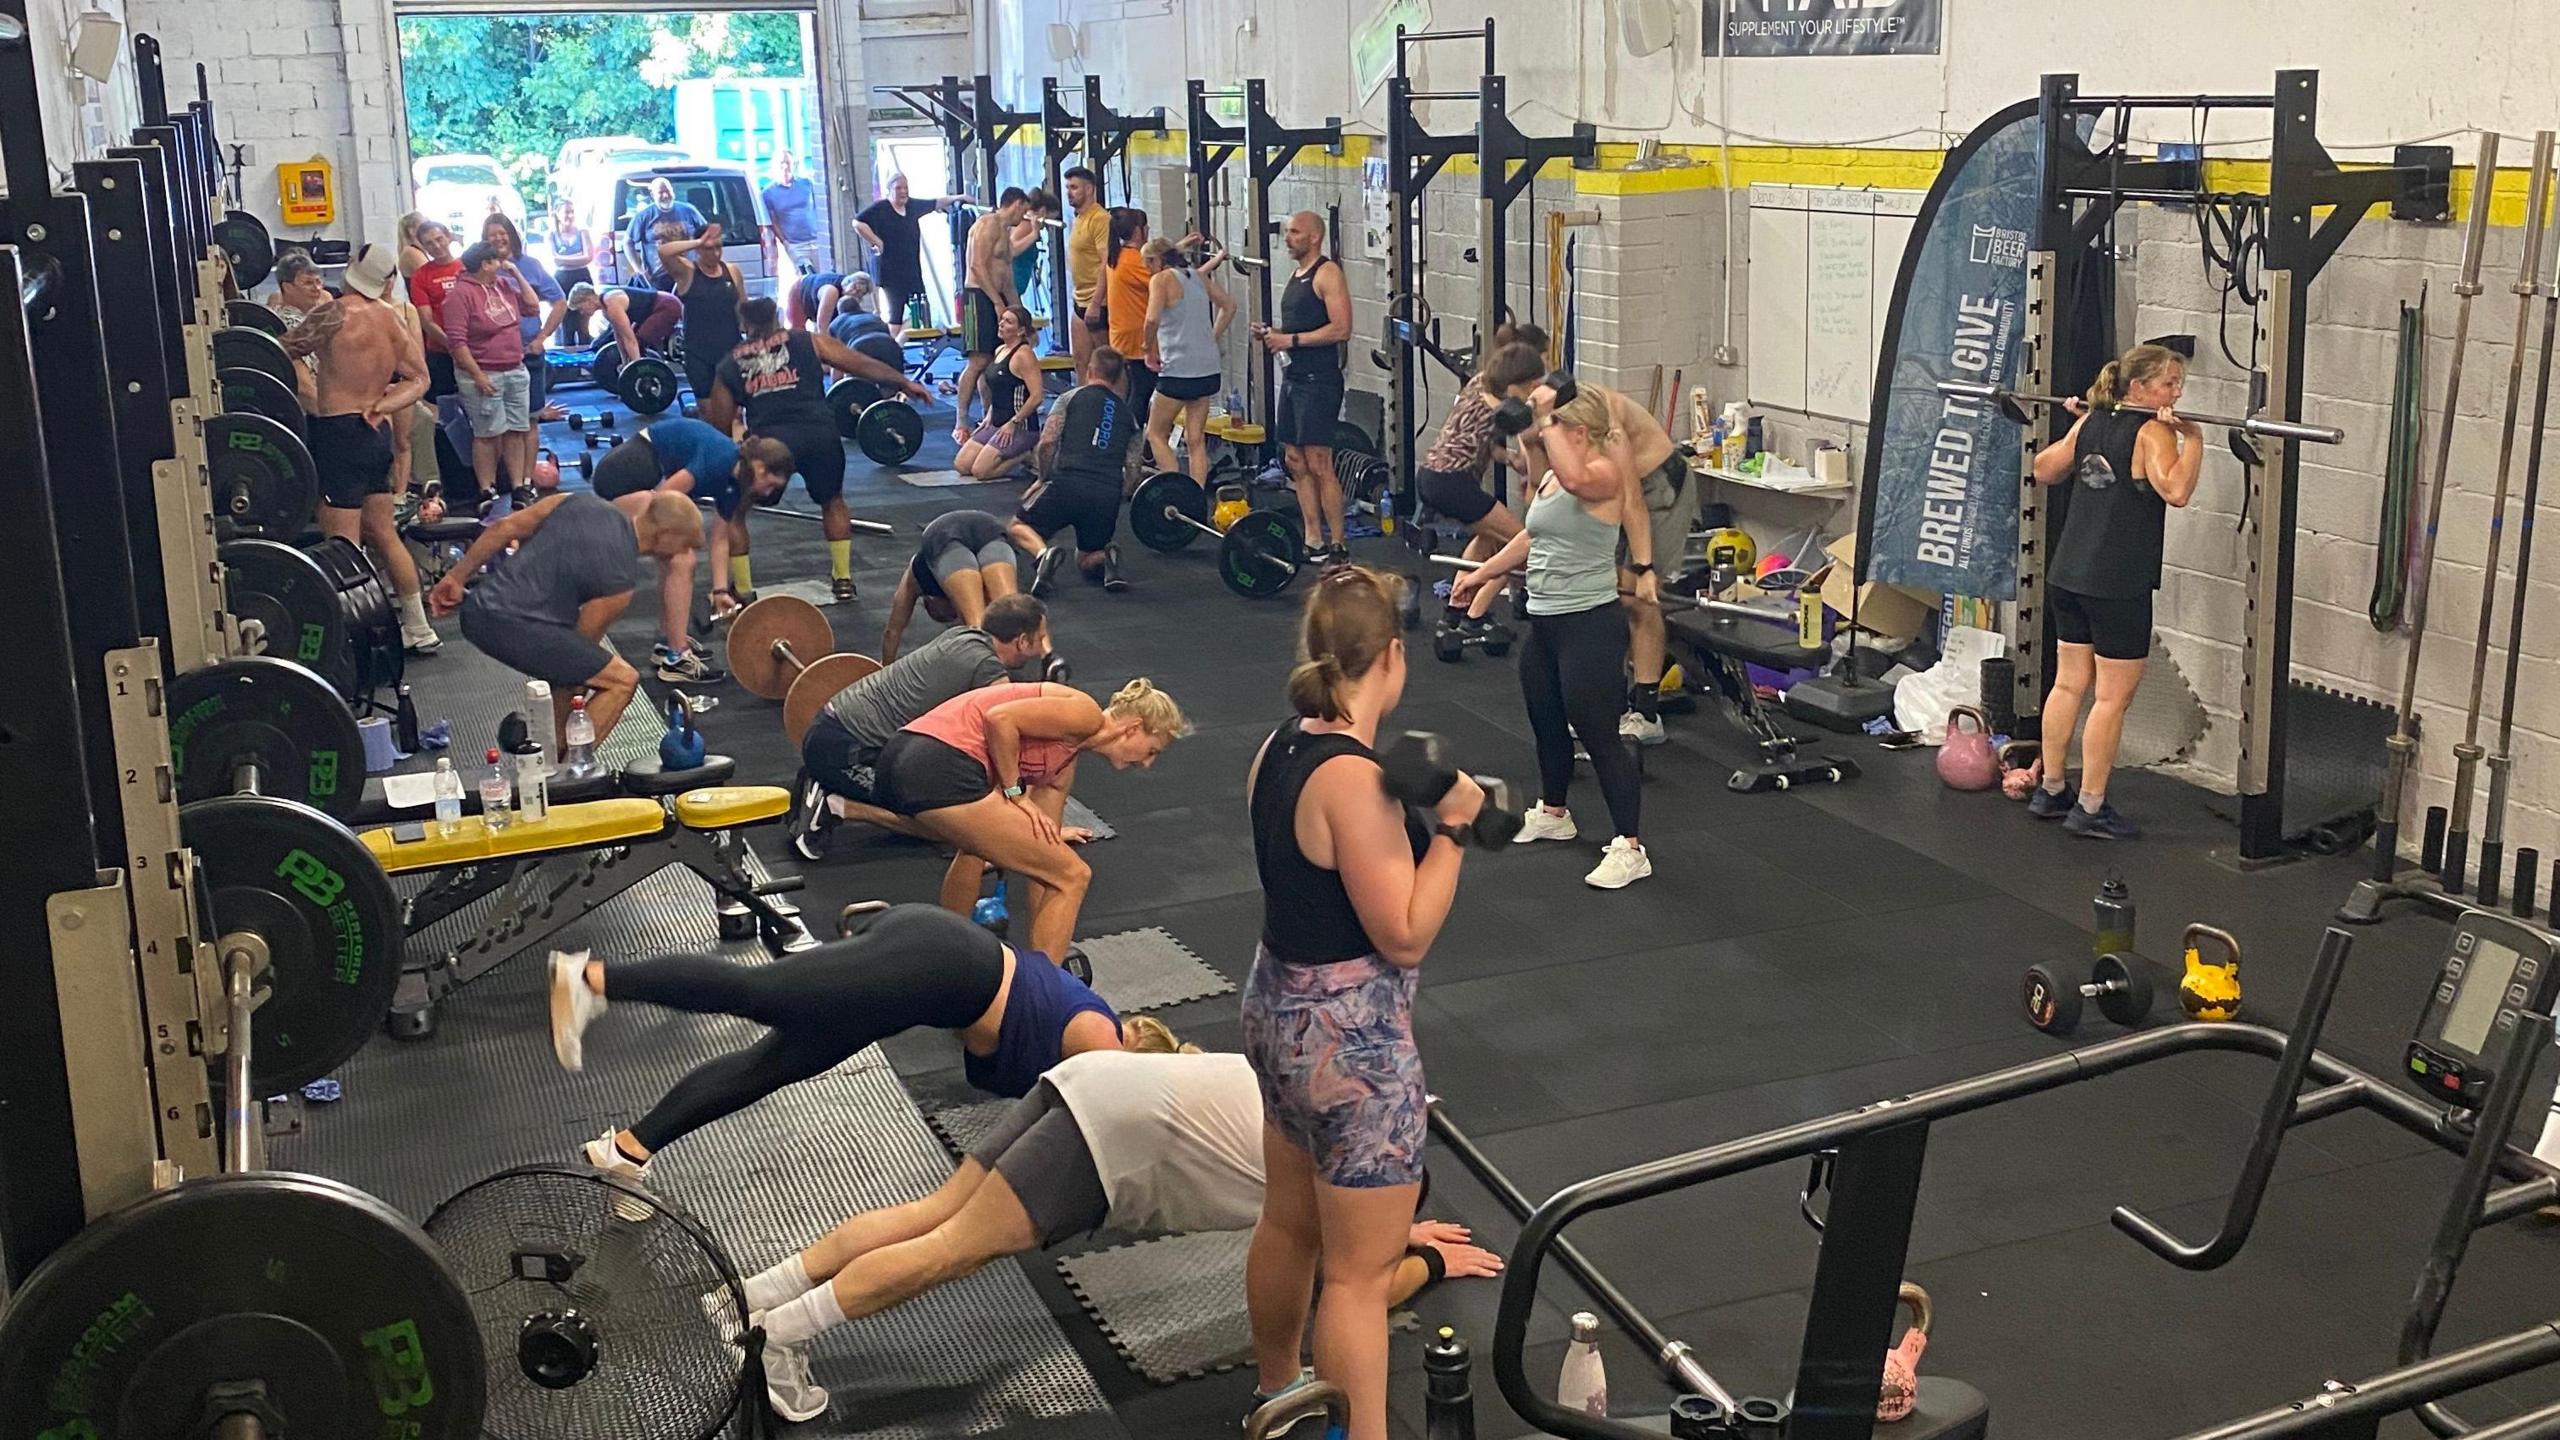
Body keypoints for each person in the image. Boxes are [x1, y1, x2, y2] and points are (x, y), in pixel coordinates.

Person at [729, 1047, 1501, 1421]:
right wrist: (1424, 1259)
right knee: (949, 1253)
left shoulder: (1340, 1112)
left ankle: (747, 1297)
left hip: (1094, 1079)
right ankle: (777, 1337)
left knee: (936, 1213)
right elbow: (1350, 1294)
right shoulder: (1336, 1182)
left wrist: (1393, 1238)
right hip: (1111, 1139)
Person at [1241, 565, 1486, 1440]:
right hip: (1350, 1043)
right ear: (1392, 654)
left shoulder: (1279, 747)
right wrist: (1455, 828)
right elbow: (1405, 934)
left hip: (1275, 1010)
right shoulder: (1354, 779)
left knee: (1289, 1222)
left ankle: (1280, 1396)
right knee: (1356, 1274)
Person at [544, 904, 1186, 1227]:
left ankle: (628, 1150)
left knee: (772, 1066)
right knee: (761, 994)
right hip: (936, 960)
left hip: (920, 983)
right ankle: (590, 978)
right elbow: (1092, 1126)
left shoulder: (1095, 1027)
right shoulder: (1099, 1041)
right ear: (1136, 1057)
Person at [1450, 388, 1653, 890]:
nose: (1541, 439)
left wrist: (1543, 418)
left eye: (1556, 430)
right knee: (1545, 720)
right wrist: (1480, 574)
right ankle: (1556, 813)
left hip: (1590, 623)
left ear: (1579, 434)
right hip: (1545, 621)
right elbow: (1530, 537)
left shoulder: (1602, 476)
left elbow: (1577, 476)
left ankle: (1630, 846)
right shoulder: (1550, 482)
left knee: (1600, 733)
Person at [871, 677, 1188, 963]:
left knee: (988, 851)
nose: (1147, 764)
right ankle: (1046, 995)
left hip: (902, 760)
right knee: (1075, 875)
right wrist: (1015, 794)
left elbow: (1043, 859)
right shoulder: (1085, 714)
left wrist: (1046, 940)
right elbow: (1001, 719)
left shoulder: (1061, 768)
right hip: (938, 760)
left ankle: (948, 956)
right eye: (1151, 750)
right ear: (1132, 728)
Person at [2028, 342, 2202, 840]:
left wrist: (2080, 425)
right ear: (2139, 388)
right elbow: (2178, 491)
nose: (2177, 390)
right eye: (2168, 383)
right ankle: (2090, 805)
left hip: (2069, 575)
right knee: (2110, 698)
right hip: (2117, 583)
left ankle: (2053, 790)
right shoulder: (2154, 432)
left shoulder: (2091, 424)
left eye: (2179, 383)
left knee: (2067, 684)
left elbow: (2044, 469)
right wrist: (2194, 440)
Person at [701, 296, 932, 605]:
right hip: (820, 434)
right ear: (777, 317)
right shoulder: (806, 340)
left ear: (743, 325)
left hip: (770, 446)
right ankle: (843, 580)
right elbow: (857, 362)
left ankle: (743, 589)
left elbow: (719, 424)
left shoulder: (729, 364)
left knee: (735, 511)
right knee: (833, 501)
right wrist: (902, 382)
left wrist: (730, 460)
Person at [430, 490, 697, 751]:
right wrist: (558, 736)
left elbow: (504, 527)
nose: (684, 552)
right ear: (666, 536)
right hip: (510, 624)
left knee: (583, 669)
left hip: (477, 607)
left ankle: (556, 757)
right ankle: (572, 772)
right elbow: (573, 667)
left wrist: (456, 577)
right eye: (684, 544)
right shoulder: (620, 580)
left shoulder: (580, 500)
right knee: (621, 680)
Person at [794, 592, 1052, 861]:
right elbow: (1005, 743)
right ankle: (838, 805)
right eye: (1041, 638)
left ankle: (825, 781)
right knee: (950, 825)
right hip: (843, 750)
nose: (1043, 645)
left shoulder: (963, 635)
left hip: (828, 727)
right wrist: (1024, 814)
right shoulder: (988, 670)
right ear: (1022, 641)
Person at [280, 242, 439, 655]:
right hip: (375, 432)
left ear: (352, 270)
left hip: (338, 432)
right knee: (385, 534)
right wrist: (382, 404)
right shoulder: (390, 319)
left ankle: (358, 642)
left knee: (343, 545)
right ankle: (418, 628)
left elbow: (280, 352)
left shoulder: (333, 312)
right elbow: (419, 380)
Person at [587, 418, 795, 682]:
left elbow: (720, 538)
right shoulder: (721, 459)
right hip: (622, 475)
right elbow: (665, 499)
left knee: (675, 555)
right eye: (771, 485)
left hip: (646, 476)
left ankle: (668, 642)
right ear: (760, 469)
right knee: (682, 558)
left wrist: (719, 591)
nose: (768, 493)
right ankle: (676, 657)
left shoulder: (734, 484)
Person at [1416, 342, 1548, 643]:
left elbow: (1477, 439)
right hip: (1453, 482)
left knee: (1489, 537)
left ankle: (1455, 609)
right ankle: (1475, 616)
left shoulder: (1478, 384)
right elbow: (1533, 433)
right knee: (1520, 546)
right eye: (1530, 385)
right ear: (1517, 383)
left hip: (1431, 476)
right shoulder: (1505, 408)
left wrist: (1510, 458)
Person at [1255, 211, 1355, 565]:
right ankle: (1313, 538)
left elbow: (1341, 329)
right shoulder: (1297, 275)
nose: (1288, 238)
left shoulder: (1327, 273)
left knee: (1319, 460)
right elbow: (1301, 328)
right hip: (1295, 381)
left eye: (1295, 232)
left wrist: (1290, 340)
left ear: (1314, 237)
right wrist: (1274, 335)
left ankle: (1338, 542)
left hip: (1320, 382)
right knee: (1295, 461)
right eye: (1287, 232)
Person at [1009, 347, 1138, 595]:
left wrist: (1042, 478)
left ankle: (1042, 554)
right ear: (1119, 378)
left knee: (1017, 527)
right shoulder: (1128, 416)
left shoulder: (1071, 398)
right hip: (1106, 491)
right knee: (1086, 557)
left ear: (1090, 371)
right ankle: (1105, 557)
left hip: (1067, 483)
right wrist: (1120, 494)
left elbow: (1048, 442)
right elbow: (1133, 467)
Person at [440, 241, 540, 510]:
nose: (501, 264)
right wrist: (478, 376)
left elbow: (532, 306)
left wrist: (516, 273)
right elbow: (457, 342)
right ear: (485, 264)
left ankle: (519, 486)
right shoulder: (460, 295)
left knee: (517, 429)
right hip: (484, 371)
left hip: (514, 368)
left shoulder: (503, 285)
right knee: (487, 433)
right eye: (496, 261)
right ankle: (486, 489)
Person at [1142, 236, 1235, 487]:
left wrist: (1147, 348)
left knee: (1155, 433)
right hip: (1207, 369)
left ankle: (1176, 488)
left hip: (1178, 370)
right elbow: (1229, 306)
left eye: (1146, 263)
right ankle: (1196, 494)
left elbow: (1151, 320)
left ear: (1155, 261)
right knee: (1196, 439)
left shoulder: (1160, 280)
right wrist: (1211, 337)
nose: (1145, 269)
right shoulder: (1197, 277)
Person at [880, 509, 1020, 663]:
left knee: (989, 622)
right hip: (988, 526)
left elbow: (892, 631)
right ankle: (1047, 657)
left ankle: (1045, 658)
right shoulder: (970, 586)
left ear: (929, 601)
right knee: (1012, 616)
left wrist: (885, 670)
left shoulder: (915, 577)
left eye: (944, 616)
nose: (953, 617)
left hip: (942, 533)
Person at [952, 187, 1034, 446]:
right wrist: (998, 303)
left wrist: (1022, 318)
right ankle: (961, 422)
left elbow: (1007, 280)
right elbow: (977, 265)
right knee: (978, 362)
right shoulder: (987, 224)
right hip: (978, 297)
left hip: (997, 296)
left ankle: (991, 419)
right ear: (1016, 203)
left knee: (996, 363)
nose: (1024, 216)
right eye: (1024, 210)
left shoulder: (1005, 235)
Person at [855, 173, 967, 336]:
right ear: (889, 190)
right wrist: (876, 241)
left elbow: (935, 202)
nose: (903, 192)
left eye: (905, 188)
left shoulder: (912, 206)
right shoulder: (881, 208)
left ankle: (907, 342)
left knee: (922, 310)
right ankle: (890, 348)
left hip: (911, 269)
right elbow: (857, 222)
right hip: (890, 271)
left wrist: (960, 196)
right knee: (896, 314)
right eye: (898, 188)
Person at [484, 213, 569, 424]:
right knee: (500, 424)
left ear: (511, 235)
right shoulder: (480, 270)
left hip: (528, 352)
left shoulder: (530, 265)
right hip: (495, 358)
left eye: (502, 233)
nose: (498, 239)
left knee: (531, 420)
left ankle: (529, 459)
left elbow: (560, 302)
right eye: (492, 235)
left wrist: (541, 339)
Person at [953, 304, 1045, 481]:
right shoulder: (1000, 350)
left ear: (1020, 331)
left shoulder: (1024, 355)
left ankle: (1025, 454)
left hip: (1020, 427)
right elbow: (1000, 390)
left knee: (981, 472)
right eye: (1002, 320)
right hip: (997, 424)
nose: (1001, 324)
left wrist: (1013, 423)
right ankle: (1010, 450)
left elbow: (1037, 397)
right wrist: (989, 415)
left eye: (1008, 322)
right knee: (962, 465)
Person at [658, 220, 742, 409]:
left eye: (719, 247)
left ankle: (734, 439)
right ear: (698, 249)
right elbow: (664, 252)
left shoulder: (732, 271)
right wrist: (697, 241)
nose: (715, 254)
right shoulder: (687, 272)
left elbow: (743, 309)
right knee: (707, 408)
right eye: (709, 249)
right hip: (699, 352)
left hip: (730, 349)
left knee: (734, 410)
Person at [1102, 208, 1157, 461]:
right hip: (1137, 336)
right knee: (1143, 392)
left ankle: (1135, 444)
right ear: (1139, 230)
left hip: (1123, 333)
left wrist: (1179, 246)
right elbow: (1165, 276)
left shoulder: (1118, 255)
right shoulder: (1135, 259)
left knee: (1137, 388)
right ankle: (1133, 446)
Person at [405, 219, 464, 407]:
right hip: (441, 352)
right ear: (424, 247)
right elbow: (426, 320)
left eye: (439, 239)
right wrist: (453, 346)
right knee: (446, 410)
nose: (436, 246)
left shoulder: (467, 267)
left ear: (448, 237)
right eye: (429, 243)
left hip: (475, 349)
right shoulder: (421, 276)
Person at [567, 281, 682, 365]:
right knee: (635, 342)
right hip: (655, 309)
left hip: (667, 306)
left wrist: (635, 369)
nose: (581, 312)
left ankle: (645, 370)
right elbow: (620, 337)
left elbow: (629, 339)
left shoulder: (612, 303)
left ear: (588, 299)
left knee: (639, 340)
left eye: (580, 308)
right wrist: (624, 362)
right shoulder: (606, 310)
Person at [1063, 166, 1109, 369]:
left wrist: (1096, 302)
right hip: (1079, 299)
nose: (1068, 192)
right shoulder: (1078, 218)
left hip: (1098, 301)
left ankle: (1114, 401)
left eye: (1074, 187)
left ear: (1089, 189)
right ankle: (1085, 400)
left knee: (1107, 365)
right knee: (1081, 361)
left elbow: (1106, 263)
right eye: (1067, 187)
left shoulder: (1100, 219)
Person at [624, 175, 706, 281]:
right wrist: (639, 270)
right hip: (658, 279)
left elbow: (707, 235)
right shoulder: (644, 216)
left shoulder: (689, 211)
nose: (665, 195)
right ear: (653, 195)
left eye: (668, 191)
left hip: (689, 275)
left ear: (673, 192)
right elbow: (627, 242)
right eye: (660, 192)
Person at [763, 151, 826, 273]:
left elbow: (821, 207)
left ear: (794, 164)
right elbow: (773, 221)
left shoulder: (806, 184)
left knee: (823, 277)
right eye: (782, 163)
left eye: (788, 162)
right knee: (806, 279)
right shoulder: (768, 193)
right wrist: (785, 242)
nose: (785, 166)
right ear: (775, 166)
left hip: (817, 241)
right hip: (796, 245)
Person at [550, 199, 596, 345]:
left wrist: (564, 259)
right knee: (566, 325)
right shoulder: (552, 235)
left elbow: (589, 257)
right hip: (562, 280)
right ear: (557, 214)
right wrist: (577, 257)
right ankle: (568, 363)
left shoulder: (582, 232)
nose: (569, 216)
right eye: (566, 212)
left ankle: (586, 355)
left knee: (584, 323)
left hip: (582, 277)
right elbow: (555, 260)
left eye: (572, 212)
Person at [1009, 190, 1053, 313]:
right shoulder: (1027, 226)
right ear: (1043, 212)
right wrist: (1034, 235)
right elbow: (1012, 250)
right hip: (1010, 289)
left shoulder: (1027, 225)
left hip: (1014, 290)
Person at [270, 249, 330, 328]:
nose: (317, 288)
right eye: (308, 283)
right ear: (287, 287)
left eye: (318, 282)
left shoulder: (316, 315)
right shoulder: (287, 324)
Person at [786, 266, 847, 333]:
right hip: (800, 293)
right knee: (797, 332)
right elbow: (822, 329)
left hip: (818, 302)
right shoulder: (833, 291)